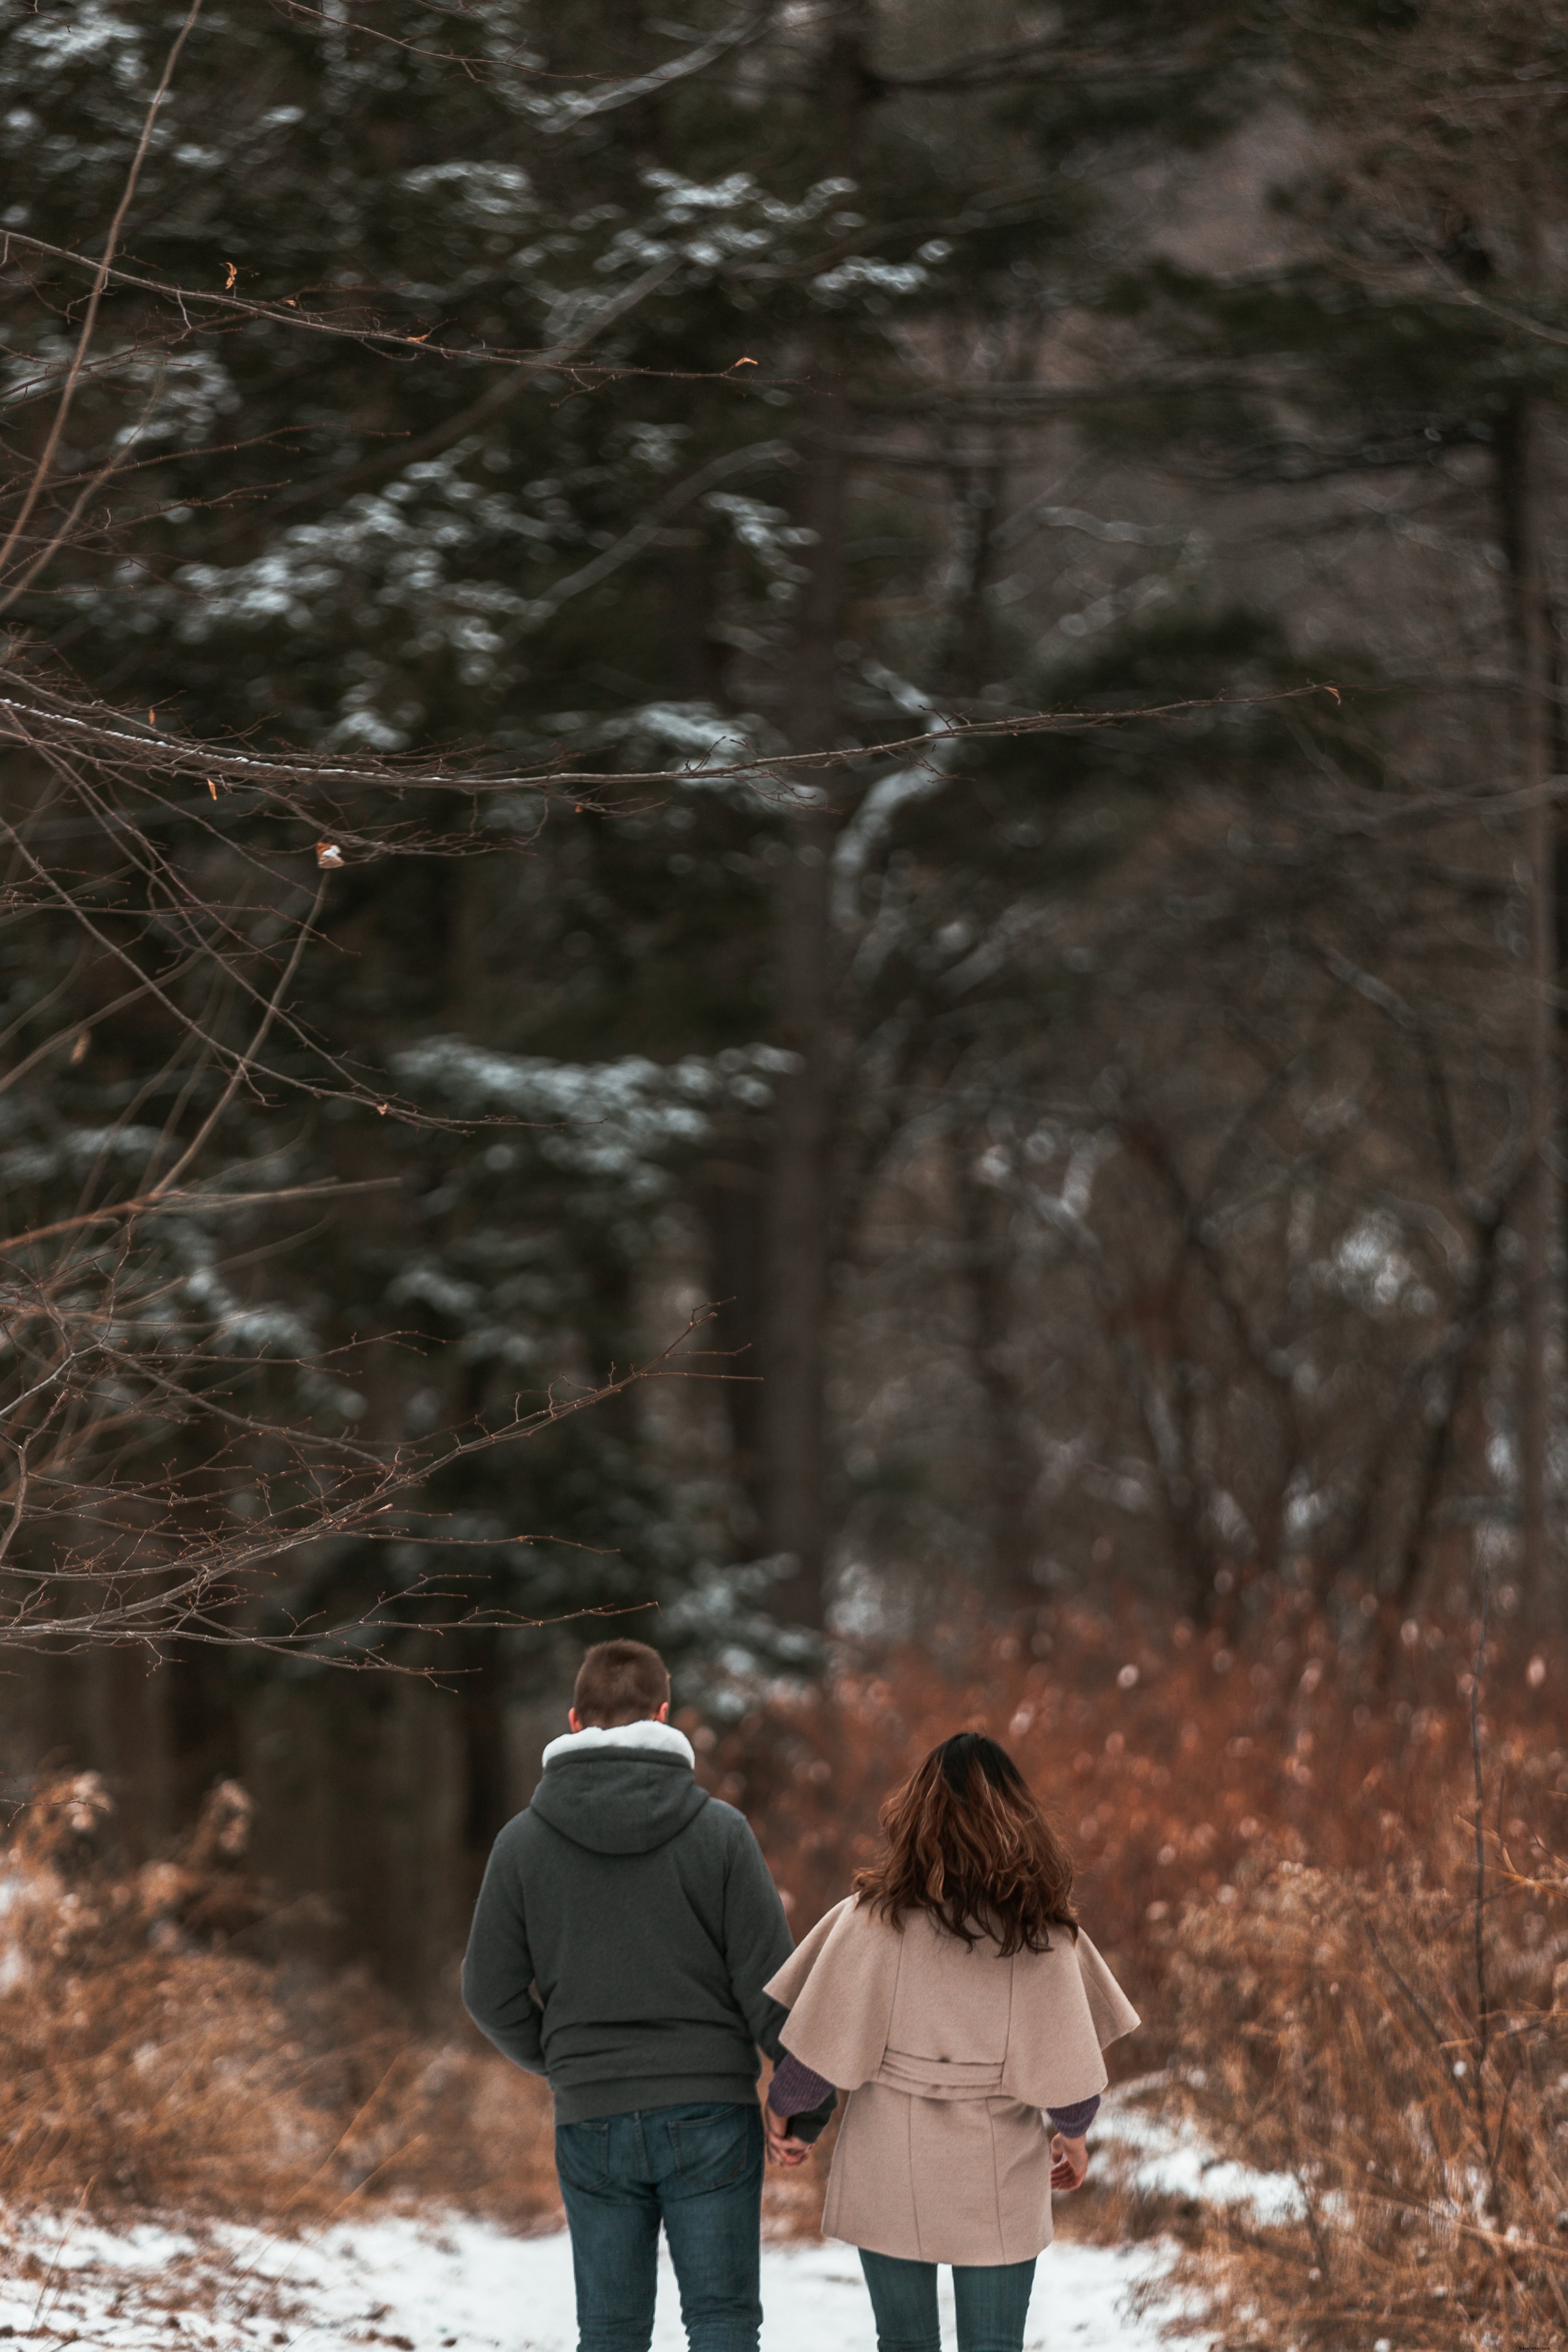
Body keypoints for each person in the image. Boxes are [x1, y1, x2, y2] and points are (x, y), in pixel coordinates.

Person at [461, 1637, 832, 2352]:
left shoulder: (522, 1843)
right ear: (664, 1714)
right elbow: (770, 1985)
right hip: (710, 2114)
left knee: (610, 2329)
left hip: (591, 2113)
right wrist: (801, 2105)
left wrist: (563, 2057)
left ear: (574, 1721)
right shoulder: (721, 1833)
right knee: (722, 2320)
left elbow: (486, 1989)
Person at [759, 1731, 1139, 2352]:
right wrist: (1073, 2139)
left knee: (904, 2343)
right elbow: (1071, 2075)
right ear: (1021, 1819)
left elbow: (815, 2055)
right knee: (994, 2346)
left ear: (916, 1816)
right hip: (1000, 2169)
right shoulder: (1042, 1936)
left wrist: (785, 2115)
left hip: (888, 2162)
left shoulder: (870, 1920)